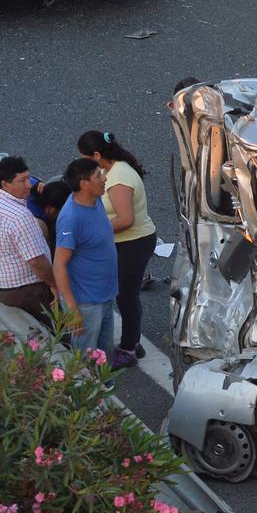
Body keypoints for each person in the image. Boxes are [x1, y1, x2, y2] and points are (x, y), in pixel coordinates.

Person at [77, 130, 157, 369]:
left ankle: (129, 348)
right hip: (123, 243)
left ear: (97, 155)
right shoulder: (109, 170)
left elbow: (125, 219)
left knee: (126, 296)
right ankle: (134, 341)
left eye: (85, 158)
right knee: (124, 294)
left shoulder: (119, 177)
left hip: (134, 242)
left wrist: (92, 231)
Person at [0, 155, 56, 321]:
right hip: (25, 290)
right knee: (64, 325)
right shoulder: (20, 216)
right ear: (5, 184)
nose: (29, 185)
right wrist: (55, 285)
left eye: (28, 178)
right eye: (22, 180)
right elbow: (36, 262)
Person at [54, 159, 118, 354]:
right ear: (84, 184)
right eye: (98, 176)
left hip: (105, 295)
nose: (104, 178)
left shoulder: (95, 200)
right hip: (86, 303)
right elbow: (59, 265)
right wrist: (72, 309)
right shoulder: (71, 219)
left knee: (104, 354)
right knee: (85, 358)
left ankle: (103, 375)